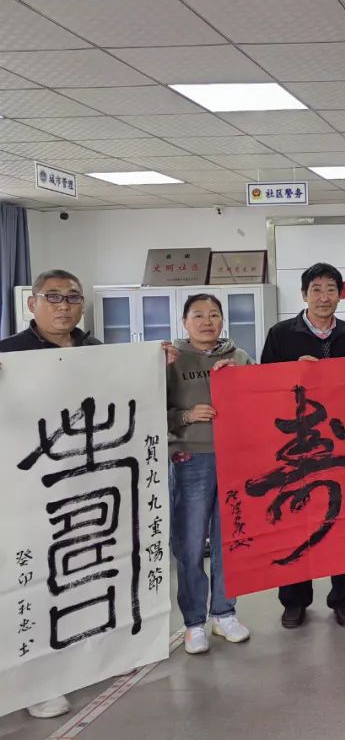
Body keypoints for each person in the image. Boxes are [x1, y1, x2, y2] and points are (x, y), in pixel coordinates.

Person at [0, 269, 177, 720]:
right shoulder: (8, 355)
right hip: (34, 497)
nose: (64, 306)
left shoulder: (98, 352)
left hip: (92, 486)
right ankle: (39, 682)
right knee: (40, 582)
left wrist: (153, 367)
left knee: (94, 571)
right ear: (32, 303)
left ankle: (96, 658)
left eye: (73, 297)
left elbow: (129, 400)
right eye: (53, 297)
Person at [260, 262, 345, 629]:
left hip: (338, 444)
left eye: (331, 289)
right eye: (317, 289)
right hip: (295, 445)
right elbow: (264, 387)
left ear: (340, 295)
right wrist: (293, 371)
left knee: (342, 518)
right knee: (296, 519)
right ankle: (294, 601)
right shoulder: (281, 334)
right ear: (304, 294)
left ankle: (344, 599)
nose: (324, 297)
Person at [166, 293, 253, 651]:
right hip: (191, 459)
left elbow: (262, 399)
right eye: (198, 315)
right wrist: (186, 416)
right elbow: (147, 408)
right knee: (189, 545)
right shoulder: (171, 360)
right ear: (185, 322)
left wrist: (240, 380)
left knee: (230, 541)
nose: (207, 321)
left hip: (234, 459)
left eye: (214, 314)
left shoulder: (240, 356)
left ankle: (224, 613)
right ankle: (193, 623)